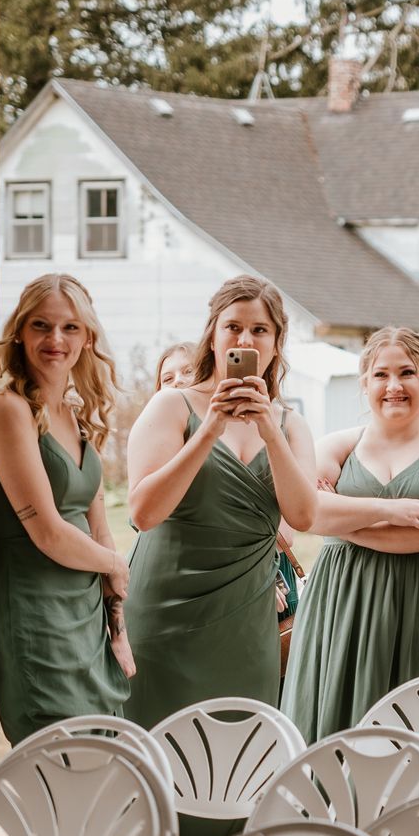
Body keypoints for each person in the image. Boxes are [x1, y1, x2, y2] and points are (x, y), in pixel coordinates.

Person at [121, 275, 319, 739]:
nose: (245, 339)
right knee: (159, 758)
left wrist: (270, 430)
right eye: (233, 327)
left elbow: (304, 517)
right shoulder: (171, 406)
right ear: (212, 336)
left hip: (248, 620)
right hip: (167, 612)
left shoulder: (291, 425)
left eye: (260, 330)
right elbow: (142, 513)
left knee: (238, 759)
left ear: (276, 343)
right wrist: (209, 428)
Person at [282, 328, 419, 739]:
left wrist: (344, 522)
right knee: (340, 713)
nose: (394, 386)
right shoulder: (335, 446)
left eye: (407, 373)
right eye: (381, 375)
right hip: (344, 598)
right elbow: (309, 516)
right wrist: (393, 510)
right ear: (365, 383)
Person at [0, 274, 133, 746]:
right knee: (58, 762)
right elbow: (48, 533)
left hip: (87, 619)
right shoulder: (7, 411)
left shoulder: (76, 415)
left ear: (87, 339)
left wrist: (117, 624)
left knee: (104, 760)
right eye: (41, 325)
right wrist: (115, 564)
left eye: (70, 328)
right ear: (20, 331)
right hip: (35, 613)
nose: (55, 340)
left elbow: (98, 525)